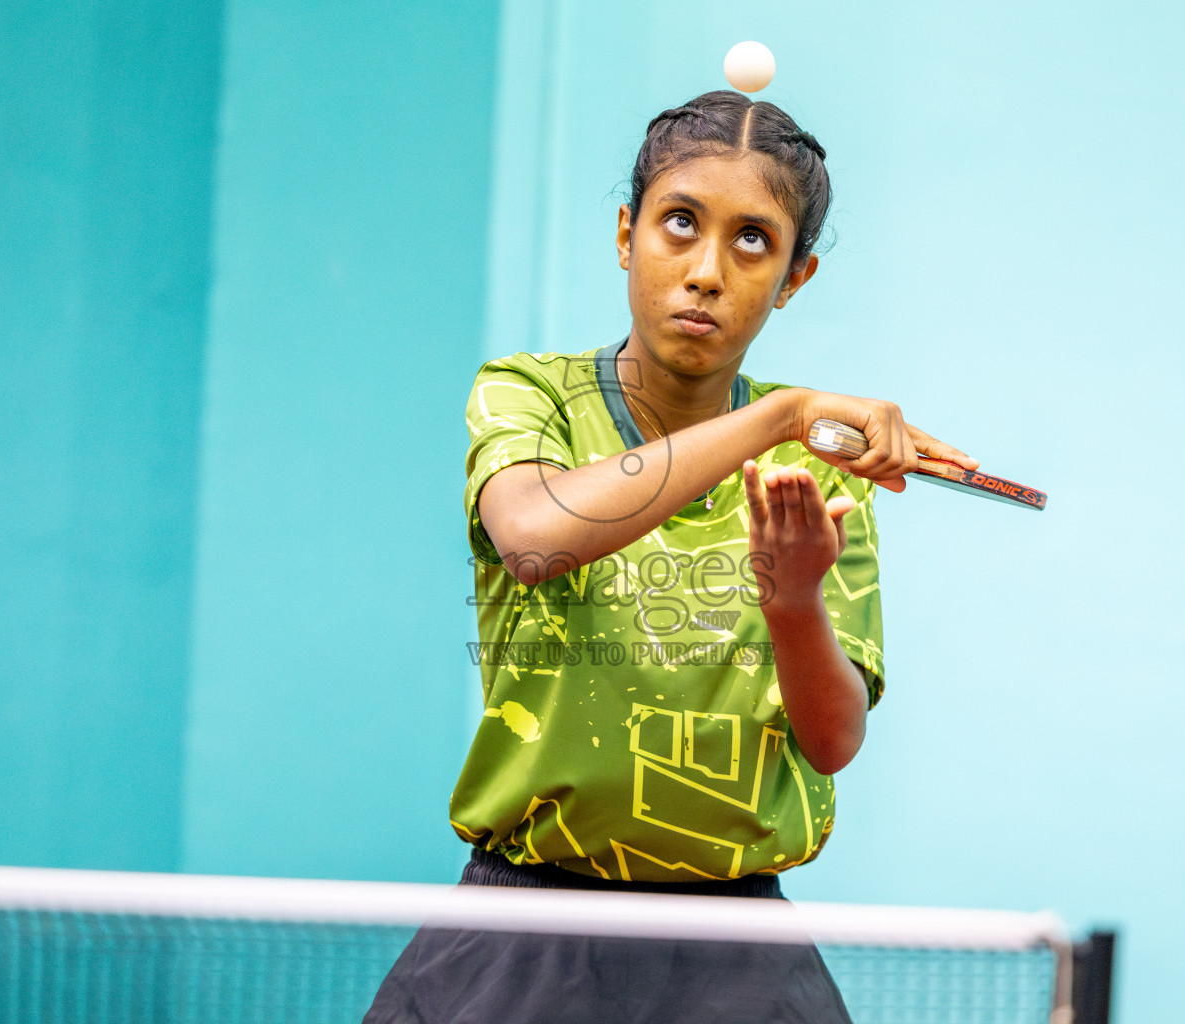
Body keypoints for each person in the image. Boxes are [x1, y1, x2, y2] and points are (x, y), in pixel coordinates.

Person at [362, 89, 976, 1024]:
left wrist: (794, 600)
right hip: (523, 936)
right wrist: (778, 415)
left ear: (795, 278)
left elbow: (832, 741)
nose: (706, 272)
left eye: (753, 241)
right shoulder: (530, 395)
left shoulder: (822, 465)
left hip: (739, 960)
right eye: (680, 223)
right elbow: (533, 536)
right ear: (627, 234)